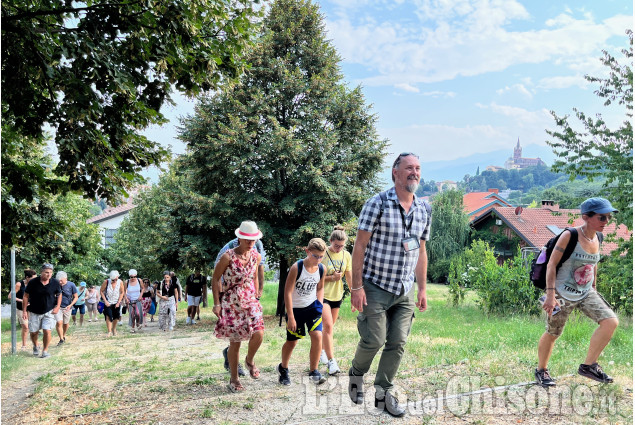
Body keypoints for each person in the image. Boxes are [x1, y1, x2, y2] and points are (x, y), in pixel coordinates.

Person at [348, 152, 431, 417]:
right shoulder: (378, 204)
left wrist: (421, 288)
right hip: (374, 285)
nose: (414, 172)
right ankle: (356, 373)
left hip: (404, 289)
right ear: (395, 172)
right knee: (374, 339)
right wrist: (356, 287)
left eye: (417, 168)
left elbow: (421, 251)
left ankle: (383, 394)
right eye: (408, 168)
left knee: (398, 342)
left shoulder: (424, 209)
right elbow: (359, 246)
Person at [535, 197, 620, 387]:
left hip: (586, 291)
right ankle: (541, 371)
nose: (607, 221)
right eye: (602, 217)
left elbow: (593, 264)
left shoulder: (598, 237)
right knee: (553, 332)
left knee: (611, 321)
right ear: (586, 217)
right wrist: (550, 295)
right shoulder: (569, 235)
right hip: (561, 294)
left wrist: (594, 288)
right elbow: (551, 265)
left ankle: (589, 365)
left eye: (608, 217)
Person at [213, 221, 265, 393]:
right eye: (247, 239)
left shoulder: (256, 256)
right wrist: (217, 304)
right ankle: (234, 379)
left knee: (259, 332)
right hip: (231, 302)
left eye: (253, 239)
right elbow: (215, 279)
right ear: (239, 238)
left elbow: (255, 275)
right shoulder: (227, 257)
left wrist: (257, 293)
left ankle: (249, 360)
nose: (251, 243)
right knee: (235, 342)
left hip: (250, 299)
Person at [278, 238, 328, 386]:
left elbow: (320, 287)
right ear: (307, 251)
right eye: (315, 256)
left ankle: (314, 371)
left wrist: (319, 303)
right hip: (295, 309)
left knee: (318, 336)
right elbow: (287, 292)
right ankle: (283, 369)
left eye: (321, 256)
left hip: (312, 307)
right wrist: (291, 317)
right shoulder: (297, 267)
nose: (318, 259)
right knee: (292, 342)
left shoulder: (321, 269)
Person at [319, 226, 353, 375]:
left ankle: (321, 350)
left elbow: (349, 276)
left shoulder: (346, 255)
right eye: (336, 245)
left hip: (337, 295)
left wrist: (354, 295)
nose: (339, 248)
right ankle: (332, 362)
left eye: (342, 246)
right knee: (328, 326)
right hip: (322, 295)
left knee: (329, 327)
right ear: (330, 241)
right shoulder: (323, 254)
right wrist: (331, 277)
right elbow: (314, 277)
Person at [22, 263, 62, 358]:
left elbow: (59, 294)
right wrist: (24, 311)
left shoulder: (55, 282)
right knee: (34, 332)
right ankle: (35, 345)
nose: (49, 275)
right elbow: (26, 296)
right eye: (46, 272)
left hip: (49, 310)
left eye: (51, 273)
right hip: (35, 311)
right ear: (41, 272)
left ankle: (45, 351)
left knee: (47, 331)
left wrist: (57, 306)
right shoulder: (33, 283)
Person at [10, 269, 37, 350]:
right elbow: (10, 296)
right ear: (27, 277)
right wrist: (22, 300)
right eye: (33, 278)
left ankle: (35, 344)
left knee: (33, 326)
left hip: (31, 308)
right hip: (21, 308)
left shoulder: (34, 284)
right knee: (25, 327)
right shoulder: (19, 284)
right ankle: (24, 345)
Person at [55, 271, 78, 346]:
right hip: (57, 306)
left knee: (65, 323)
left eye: (61, 280)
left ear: (66, 278)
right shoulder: (55, 284)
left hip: (67, 307)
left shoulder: (71, 285)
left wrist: (70, 305)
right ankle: (61, 339)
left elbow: (76, 297)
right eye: (59, 281)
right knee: (59, 322)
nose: (60, 282)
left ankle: (63, 335)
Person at [100, 271, 125, 337]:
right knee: (108, 316)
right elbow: (101, 291)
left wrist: (119, 302)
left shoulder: (120, 282)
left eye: (115, 279)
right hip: (108, 302)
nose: (114, 281)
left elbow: (122, 292)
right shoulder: (106, 282)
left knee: (116, 317)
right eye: (112, 280)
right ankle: (109, 331)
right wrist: (105, 301)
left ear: (118, 277)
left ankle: (114, 329)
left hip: (117, 302)